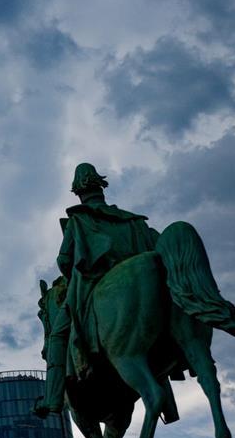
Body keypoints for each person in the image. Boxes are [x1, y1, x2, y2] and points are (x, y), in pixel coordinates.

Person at [54, 163, 159, 381]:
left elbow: (64, 261)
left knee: (58, 334)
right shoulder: (134, 221)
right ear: (100, 187)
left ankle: (52, 398)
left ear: (78, 191)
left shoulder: (79, 219)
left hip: (95, 281)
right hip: (148, 284)